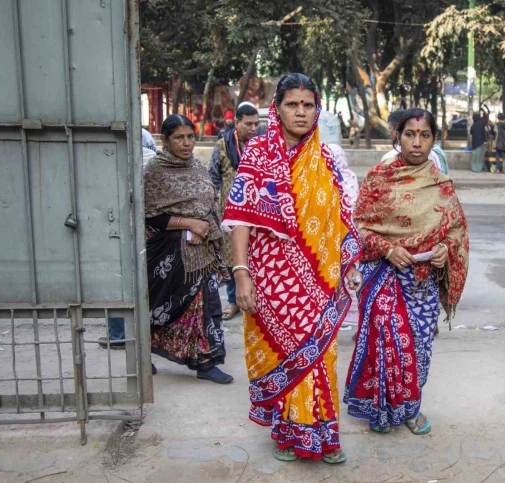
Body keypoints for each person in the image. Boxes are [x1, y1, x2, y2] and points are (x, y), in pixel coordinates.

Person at [222, 73, 363, 464]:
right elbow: (240, 218)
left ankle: (325, 436)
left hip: (321, 279)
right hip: (272, 280)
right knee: (283, 353)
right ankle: (287, 431)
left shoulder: (329, 158)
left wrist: (347, 263)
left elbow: (343, 216)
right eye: (292, 104)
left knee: (321, 356)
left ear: (317, 108)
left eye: (308, 105)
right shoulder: (258, 153)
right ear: (277, 108)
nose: (301, 112)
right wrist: (240, 273)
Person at [344, 108, 469, 435]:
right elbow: (359, 227)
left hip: (422, 285)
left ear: (433, 139)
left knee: (418, 349)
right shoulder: (379, 179)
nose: (417, 142)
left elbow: (455, 229)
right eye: (410, 134)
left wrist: (444, 249)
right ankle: (381, 410)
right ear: (397, 137)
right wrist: (387, 249)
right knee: (388, 347)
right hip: (385, 278)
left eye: (424, 135)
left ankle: (411, 409)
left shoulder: (441, 184)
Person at [142, 114, 233, 383]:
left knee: (206, 305)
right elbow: (148, 214)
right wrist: (188, 224)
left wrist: (204, 225)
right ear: (164, 140)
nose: (186, 143)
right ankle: (142, 354)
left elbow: (211, 204)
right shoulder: (154, 172)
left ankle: (206, 362)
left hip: (201, 254)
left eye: (190, 137)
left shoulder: (198, 167)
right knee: (159, 308)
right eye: (179, 138)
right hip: (167, 256)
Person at [99, 127, 159, 360]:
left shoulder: (110, 156)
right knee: (148, 283)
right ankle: (146, 335)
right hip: (151, 230)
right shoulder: (153, 159)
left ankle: (117, 335)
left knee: (120, 282)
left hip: (118, 228)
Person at [208, 103, 260, 320]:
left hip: (259, 212)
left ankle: (258, 297)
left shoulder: (263, 146)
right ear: (236, 123)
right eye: (248, 124)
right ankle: (233, 301)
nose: (254, 128)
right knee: (231, 256)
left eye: (257, 124)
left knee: (257, 254)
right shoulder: (222, 146)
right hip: (230, 212)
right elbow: (213, 179)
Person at [383, 109, 449, 175]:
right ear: (398, 138)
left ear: (434, 140)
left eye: (425, 135)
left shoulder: (443, 183)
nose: (417, 144)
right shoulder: (380, 176)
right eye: (409, 135)